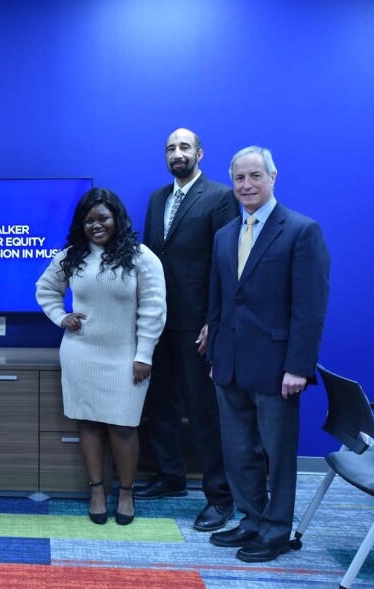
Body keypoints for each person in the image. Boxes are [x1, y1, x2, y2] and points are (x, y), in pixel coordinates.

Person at [206, 146, 329, 563]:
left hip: (279, 369)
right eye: (239, 178)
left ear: (273, 177)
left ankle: (276, 530)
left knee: (277, 455)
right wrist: (215, 355)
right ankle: (252, 518)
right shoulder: (224, 234)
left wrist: (299, 366)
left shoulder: (300, 230)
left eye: (255, 176)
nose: (247, 185)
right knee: (239, 451)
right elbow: (219, 301)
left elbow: (309, 307)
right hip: (230, 365)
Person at [36, 188, 166, 526]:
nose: (96, 225)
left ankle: (125, 492)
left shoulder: (141, 256)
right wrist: (60, 316)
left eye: (103, 218)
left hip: (127, 358)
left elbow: (154, 310)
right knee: (89, 423)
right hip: (81, 354)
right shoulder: (71, 256)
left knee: (123, 427)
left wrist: (144, 355)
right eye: (89, 220)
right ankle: (97, 491)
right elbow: (45, 289)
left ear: (116, 219)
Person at [137, 128, 239, 532]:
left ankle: (220, 496)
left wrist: (213, 322)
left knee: (203, 412)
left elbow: (226, 265)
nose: (177, 153)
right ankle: (170, 477)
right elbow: (148, 261)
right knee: (159, 406)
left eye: (184, 147)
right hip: (157, 320)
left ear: (199, 153)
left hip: (197, 325)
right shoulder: (157, 198)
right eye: (170, 148)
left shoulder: (219, 197)